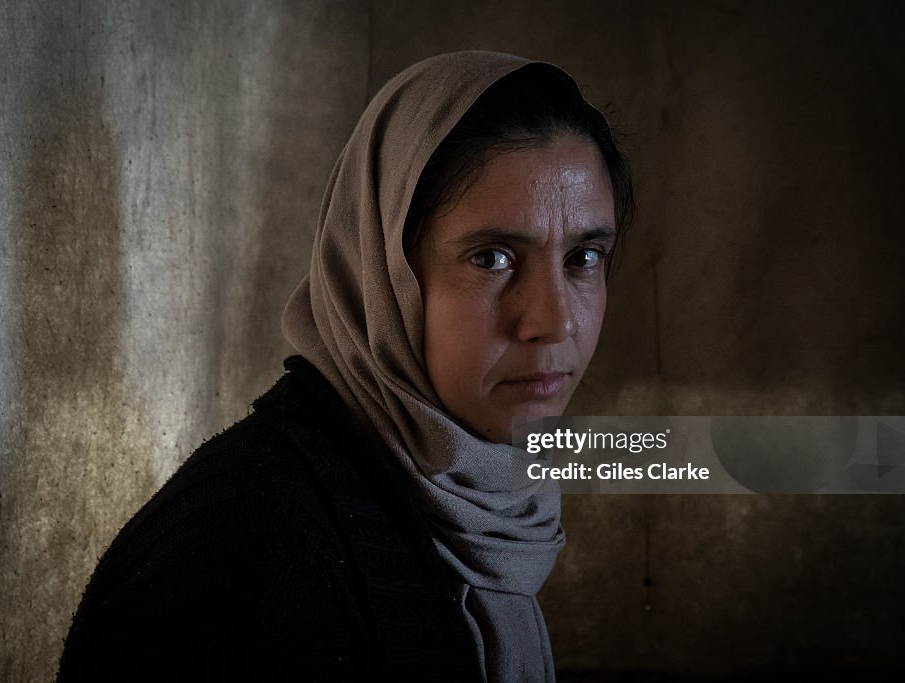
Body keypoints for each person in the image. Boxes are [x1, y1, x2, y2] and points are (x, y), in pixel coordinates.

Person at [58, 50, 633, 681]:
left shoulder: (481, 509)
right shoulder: (255, 553)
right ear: (380, 274)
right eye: (492, 258)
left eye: (583, 258)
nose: (553, 322)